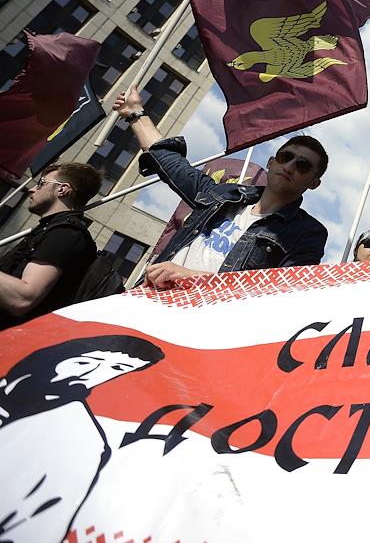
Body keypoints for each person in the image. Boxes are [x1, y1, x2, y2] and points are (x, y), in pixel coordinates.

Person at [112, 86, 328, 288]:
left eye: (303, 165)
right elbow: (171, 164)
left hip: (202, 313)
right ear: (271, 163)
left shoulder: (307, 233)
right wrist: (135, 112)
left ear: (314, 183)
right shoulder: (224, 194)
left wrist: (194, 278)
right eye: (285, 157)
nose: (290, 166)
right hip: (149, 298)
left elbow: (280, 292)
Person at [0, 335, 164, 543]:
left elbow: (42, 523)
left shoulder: (81, 437)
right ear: (60, 355)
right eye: (84, 362)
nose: (89, 374)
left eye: (117, 368)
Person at [0, 163, 101, 329]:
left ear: (62, 189)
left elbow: (24, 298)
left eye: (41, 183)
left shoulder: (66, 233)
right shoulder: (50, 229)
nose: (32, 189)